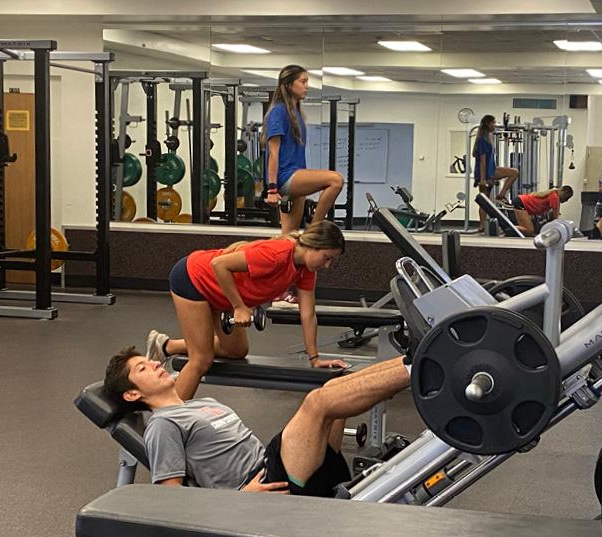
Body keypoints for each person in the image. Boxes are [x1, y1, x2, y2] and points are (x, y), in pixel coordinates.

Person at [103, 347, 410, 496]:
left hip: (273, 466)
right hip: (263, 491)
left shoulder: (201, 403)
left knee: (331, 388)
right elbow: (170, 500)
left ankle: (414, 360)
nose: (155, 363)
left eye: (149, 360)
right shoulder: (162, 425)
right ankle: (419, 368)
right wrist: (240, 501)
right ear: (132, 395)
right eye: (142, 368)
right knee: (318, 402)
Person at [146, 221, 349, 402]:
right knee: (201, 360)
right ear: (314, 246)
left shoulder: (305, 270)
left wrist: (315, 359)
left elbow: (308, 315)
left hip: (220, 293)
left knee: (236, 351)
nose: (328, 265)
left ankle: (167, 346)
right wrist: (238, 306)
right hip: (194, 279)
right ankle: (168, 422)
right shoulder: (277, 254)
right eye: (327, 257)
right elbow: (219, 264)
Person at [263, 64, 344, 236]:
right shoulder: (278, 112)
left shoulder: (295, 113)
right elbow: (273, 153)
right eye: (303, 81)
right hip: (286, 176)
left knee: (289, 235)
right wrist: (272, 189)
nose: (306, 86)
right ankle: (314, 229)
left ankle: (286, 256)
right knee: (335, 180)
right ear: (288, 85)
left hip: (297, 173)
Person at [473, 114, 519, 233]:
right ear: (488, 124)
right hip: (486, 173)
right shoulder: (482, 139)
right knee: (484, 201)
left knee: (514, 173)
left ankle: (501, 195)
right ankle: (481, 225)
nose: (495, 124)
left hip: (491, 170)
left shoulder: (488, 136)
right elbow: (482, 160)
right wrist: (483, 179)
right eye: (493, 122)